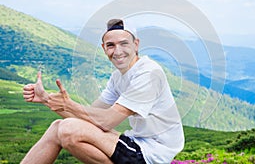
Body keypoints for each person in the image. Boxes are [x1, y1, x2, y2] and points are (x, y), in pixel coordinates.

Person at [22, 18, 184, 164]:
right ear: (104, 48)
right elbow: (89, 119)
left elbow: (107, 122)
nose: (118, 51)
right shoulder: (117, 77)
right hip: (137, 143)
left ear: (136, 44)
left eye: (124, 43)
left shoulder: (148, 73)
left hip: (153, 154)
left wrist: (69, 105)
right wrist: (46, 99)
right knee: (58, 126)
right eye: (111, 45)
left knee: (68, 129)